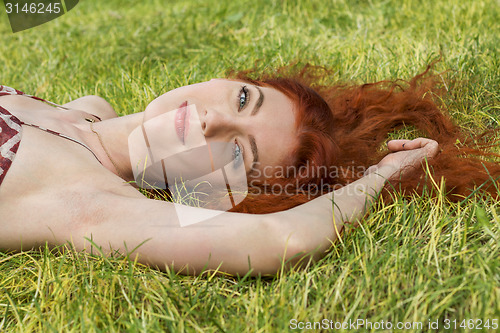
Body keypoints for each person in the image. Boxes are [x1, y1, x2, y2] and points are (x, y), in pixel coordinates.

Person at [0, 64, 498, 275]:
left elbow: (283, 238)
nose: (214, 119)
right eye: (243, 99)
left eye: (238, 154)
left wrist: (383, 174)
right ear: (230, 77)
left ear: (214, 196)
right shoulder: (86, 113)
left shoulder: (84, 202)